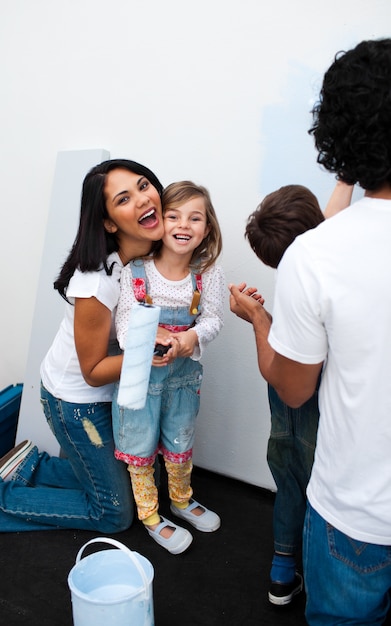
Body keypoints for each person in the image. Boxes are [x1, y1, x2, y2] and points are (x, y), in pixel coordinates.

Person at [229, 38, 391, 624]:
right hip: (336, 482)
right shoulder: (319, 247)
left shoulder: (316, 260)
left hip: (351, 509)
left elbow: (292, 386)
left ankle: (280, 570)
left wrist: (258, 320)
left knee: (286, 505)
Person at [0, 158, 165, 532]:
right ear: (108, 222)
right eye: (124, 199)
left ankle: (30, 465)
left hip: (114, 395)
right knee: (116, 513)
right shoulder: (96, 282)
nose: (141, 199)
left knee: (148, 488)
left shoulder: (152, 256)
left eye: (143, 186)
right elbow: (91, 373)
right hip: (75, 404)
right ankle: (5, 495)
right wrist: (148, 349)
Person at [244, 182, 352, 606]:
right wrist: (256, 316)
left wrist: (258, 317)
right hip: (314, 425)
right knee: (318, 496)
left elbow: (279, 373)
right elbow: (284, 379)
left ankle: (282, 572)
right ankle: (321, 581)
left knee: (289, 489)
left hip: (287, 426)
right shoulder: (334, 275)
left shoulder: (294, 289)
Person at [112, 180, 225, 554]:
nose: (183, 225)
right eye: (173, 215)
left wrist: (190, 340)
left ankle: (181, 499)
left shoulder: (207, 273)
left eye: (196, 218)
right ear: (159, 221)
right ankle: (150, 515)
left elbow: (212, 321)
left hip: (182, 379)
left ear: (207, 229)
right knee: (140, 446)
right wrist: (152, 341)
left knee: (181, 439)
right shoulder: (136, 272)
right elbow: (125, 328)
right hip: (141, 380)